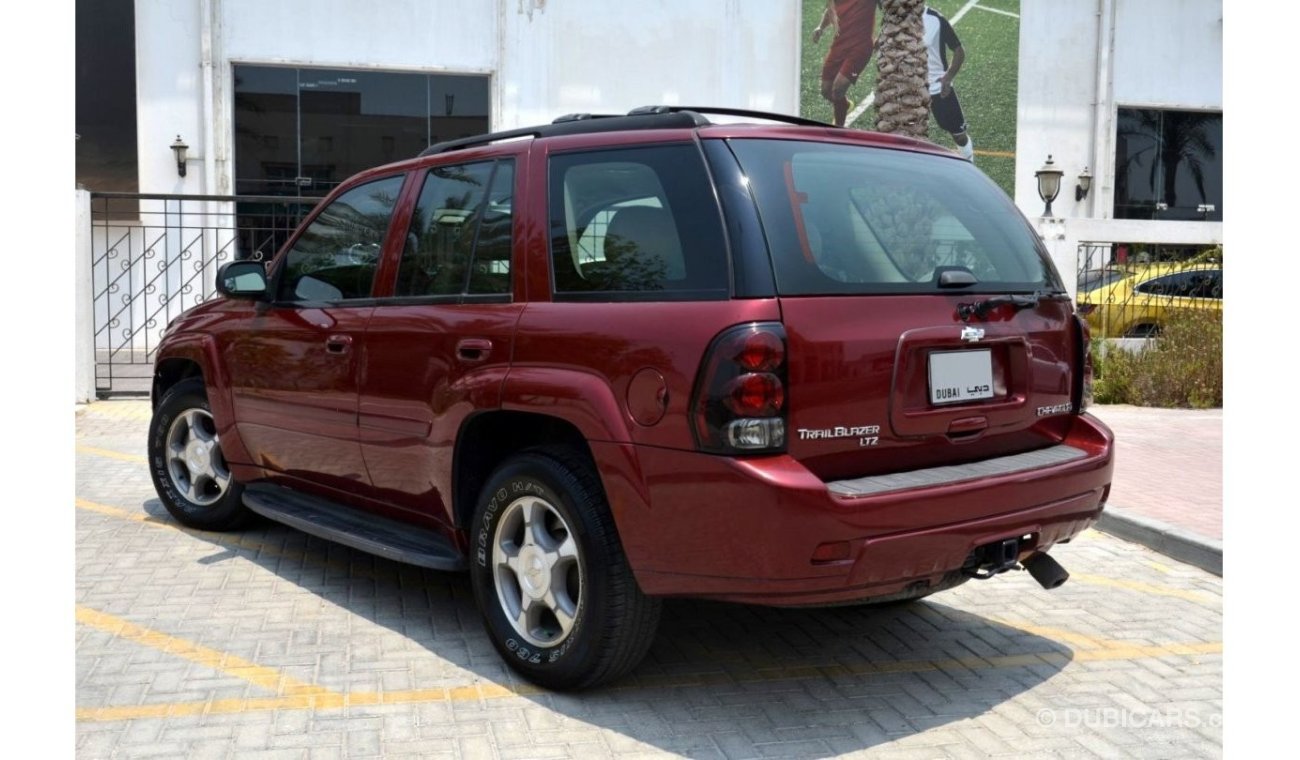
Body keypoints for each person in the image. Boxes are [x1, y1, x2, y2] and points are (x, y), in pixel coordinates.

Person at [811, 0, 878, 128]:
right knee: (826, 91)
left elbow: (892, 10)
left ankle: (838, 129)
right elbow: (831, 10)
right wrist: (821, 27)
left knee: (838, 89)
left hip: (860, 47)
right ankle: (845, 105)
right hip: (839, 45)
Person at [923, 5, 974, 160]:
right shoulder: (897, 18)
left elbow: (959, 50)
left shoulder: (935, 19)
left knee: (959, 136)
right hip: (911, 88)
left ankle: (968, 161)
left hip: (938, 87)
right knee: (911, 135)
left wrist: (949, 76)